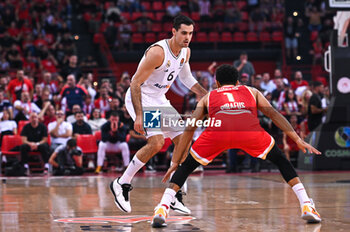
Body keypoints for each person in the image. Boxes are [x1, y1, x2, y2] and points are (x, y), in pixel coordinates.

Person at [151, 64, 322, 227]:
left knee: (187, 166)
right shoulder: (252, 91)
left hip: (219, 130)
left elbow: (190, 129)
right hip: (248, 129)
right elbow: (273, 114)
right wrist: (297, 139)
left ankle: (163, 207)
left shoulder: (208, 97)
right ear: (238, 82)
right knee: (280, 160)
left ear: (216, 83)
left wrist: (176, 161)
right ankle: (306, 204)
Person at [110, 15, 207, 215]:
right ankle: (122, 183)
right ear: (173, 32)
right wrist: (138, 116)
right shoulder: (158, 52)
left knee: (184, 140)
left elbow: (187, 78)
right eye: (183, 33)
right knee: (156, 143)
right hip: (142, 98)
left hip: (159, 99)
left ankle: (174, 195)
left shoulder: (185, 52)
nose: (188, 37)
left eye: (190, 33)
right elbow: (135, 83)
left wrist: (207, 95)